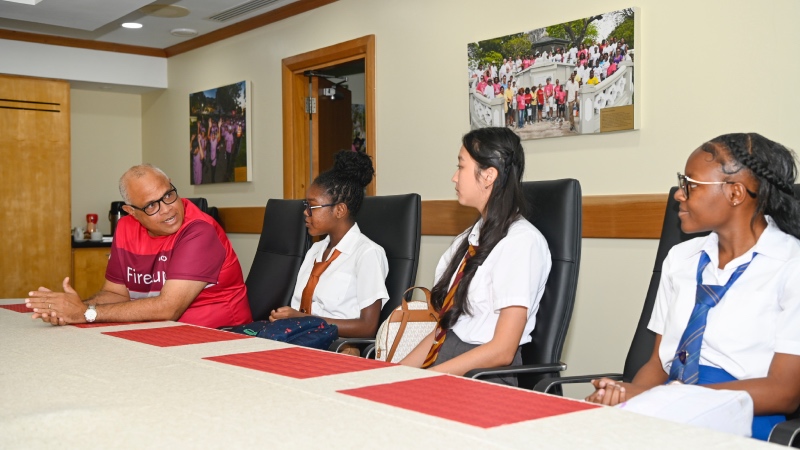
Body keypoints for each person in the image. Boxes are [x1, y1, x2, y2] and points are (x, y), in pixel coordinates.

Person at [586, 133, 800, 441]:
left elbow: (785, 392)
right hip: (672, 407)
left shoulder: (790, 266)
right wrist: (627, 393)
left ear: (735, 193)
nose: (678, 194)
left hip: (746, 417)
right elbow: (658, 363)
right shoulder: (681, 259)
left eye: (691, 184)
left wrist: (672, 400)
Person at [400, 127, 551, 386]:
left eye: (461, 167)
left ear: (488, 175)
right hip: (447, 360)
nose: (454, 177)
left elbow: (503, 350)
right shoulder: (466, 240)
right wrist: (394, 374)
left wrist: (425, 380)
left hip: (484, 375)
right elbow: (443, 331)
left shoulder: (521, 242)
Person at [26, 164, 252, 328]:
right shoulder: (125, 228)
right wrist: (70, 308)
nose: (167, 209)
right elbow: (115, 293)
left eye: (168, 195)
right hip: (155, 331)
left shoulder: (200, 231)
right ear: (131, 212)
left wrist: (85, 313)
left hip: (219, 336)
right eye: (152, 205)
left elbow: (167, 309)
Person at [269, 150, 389, 340]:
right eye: (305, 206)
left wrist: (304, 319)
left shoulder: (367, 253)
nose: (305, 213)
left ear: (340, 210)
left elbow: (368, 327)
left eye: (312, 207)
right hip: (301, 339)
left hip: (339, 347)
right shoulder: (315, 251)